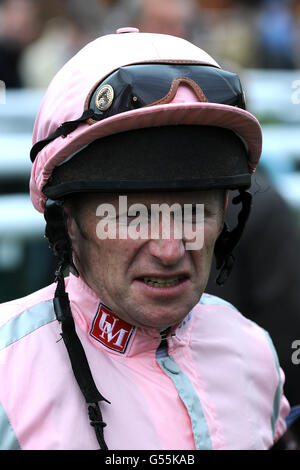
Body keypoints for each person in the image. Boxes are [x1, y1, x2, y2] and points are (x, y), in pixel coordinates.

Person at [0, 27, 290, 450]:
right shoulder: (7, 371)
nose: (171, 250)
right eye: (132, 216)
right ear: (66, 220)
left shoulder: (253, 352)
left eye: (197, 212)